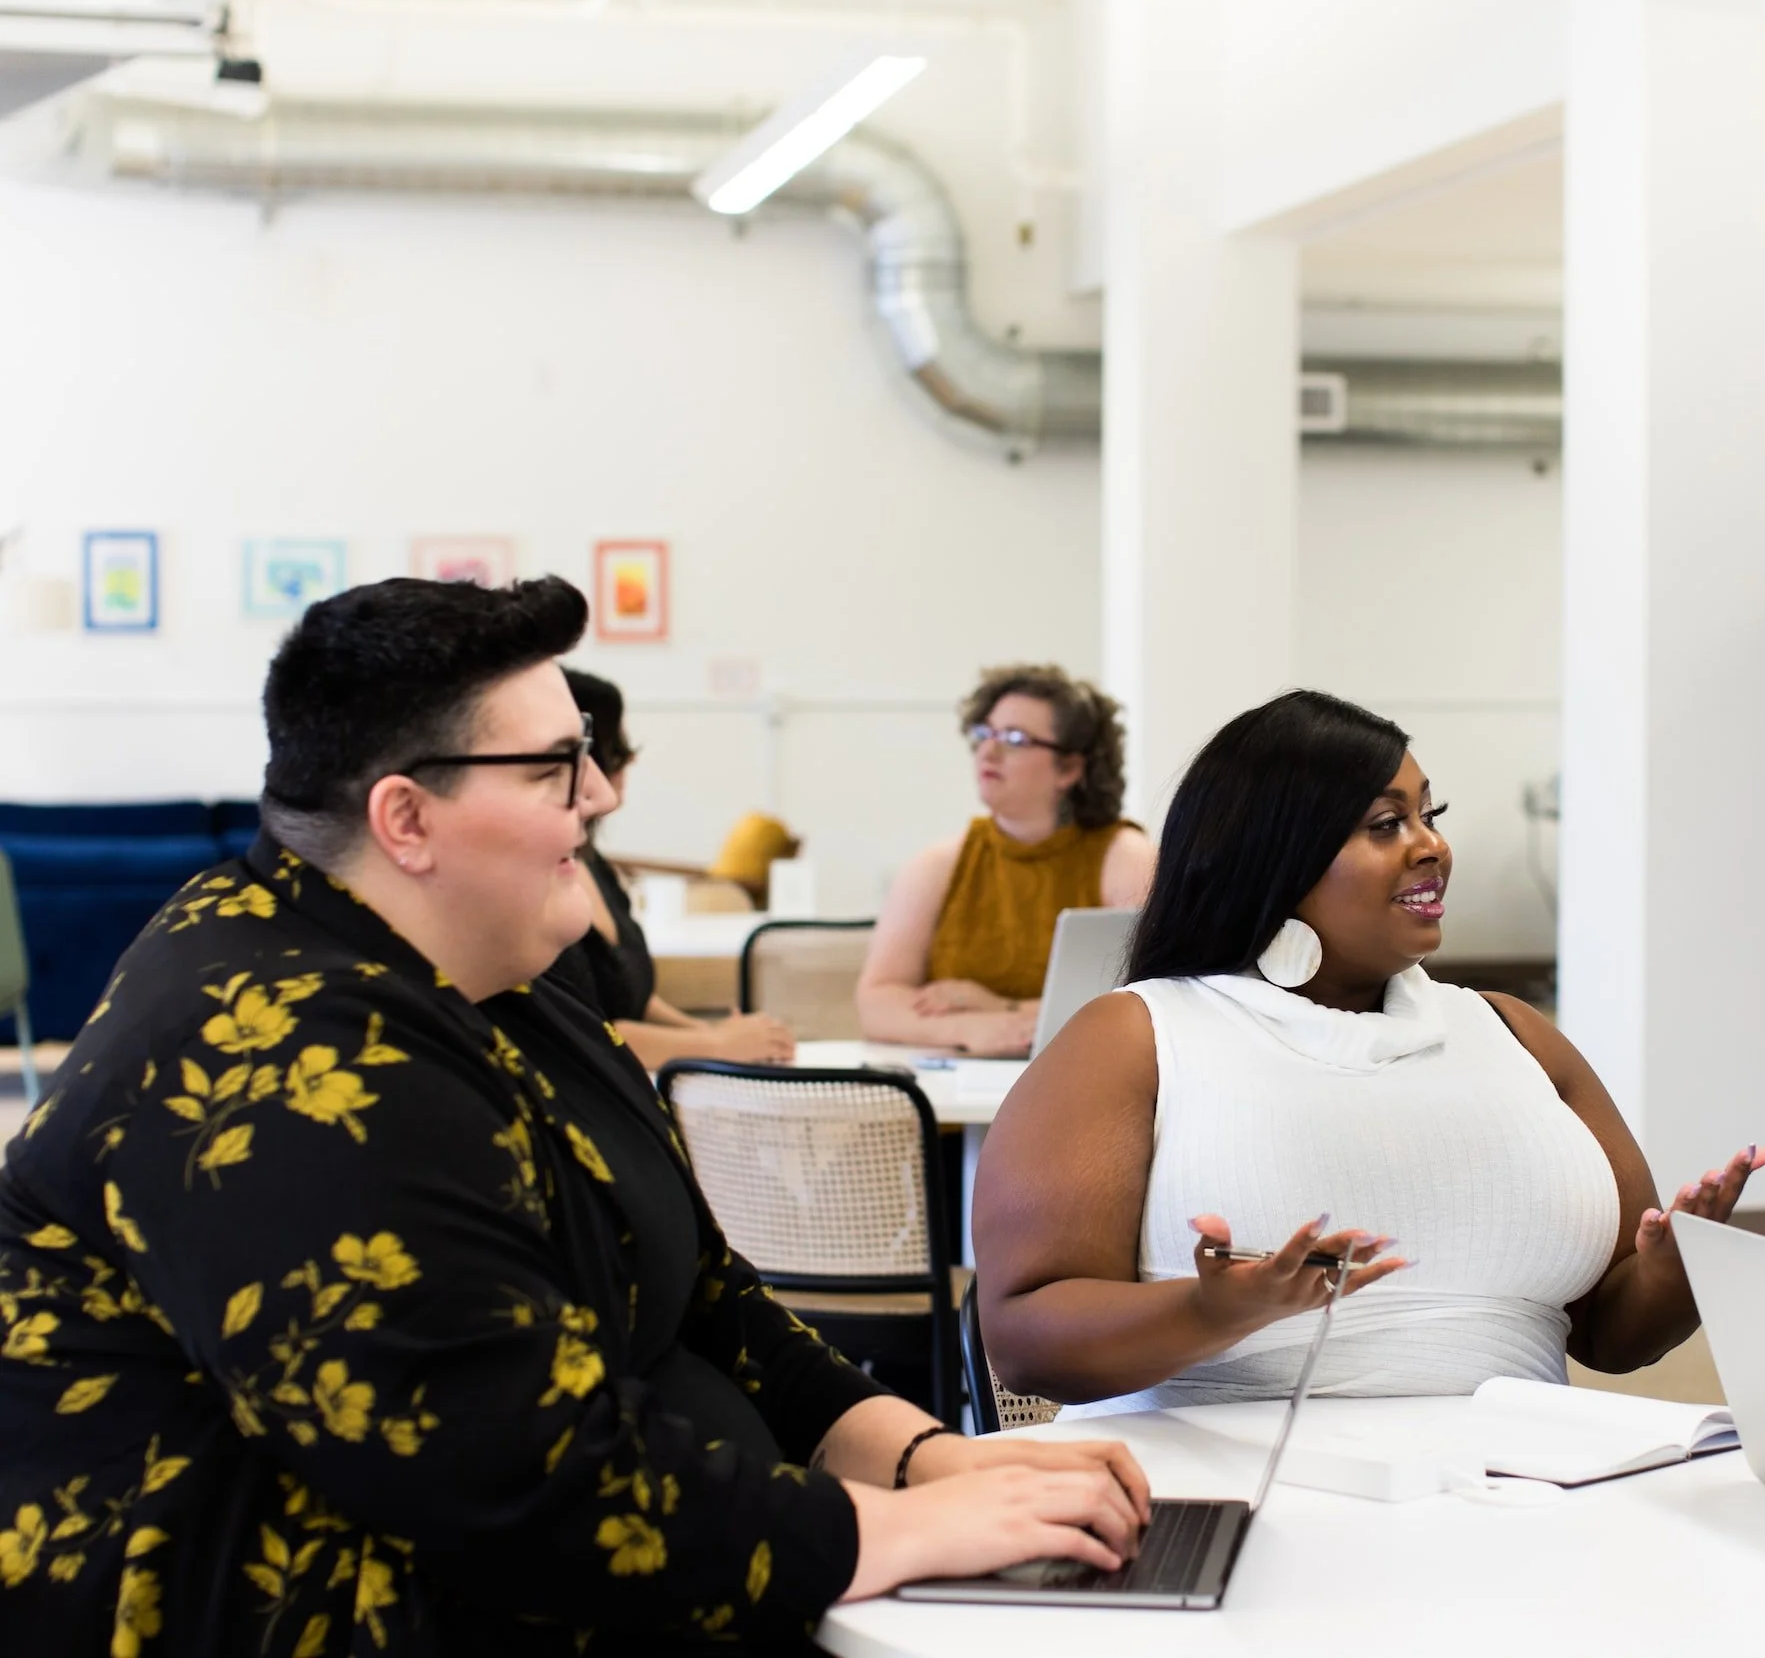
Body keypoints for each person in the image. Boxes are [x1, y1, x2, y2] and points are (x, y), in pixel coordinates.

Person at [0, 578, 1149, 1657]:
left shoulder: (502, 973)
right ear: (407, 817)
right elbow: (508, 1476)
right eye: (557, 765)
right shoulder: (280, 1047)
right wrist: (894, 1532)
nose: (599, 795)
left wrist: (926, 1458)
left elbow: (710, 1299)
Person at [971, 689, 1765, 1412]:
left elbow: (1612, 1333)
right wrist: (1211, 1311)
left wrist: (1675, 1269)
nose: (1431, 846)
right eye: (1385, 824)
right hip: (1221, 1498)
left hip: (1511, 1500)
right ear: (1274, 863)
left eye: (1431, 814)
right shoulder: (1138, 1035)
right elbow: (1025, 1337)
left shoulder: (1510, 1032)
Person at [856, 664, 1154, 1057]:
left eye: (1015, 738)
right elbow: (876, 1002)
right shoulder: (937, 865)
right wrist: (970, 1027)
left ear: (1069, 768)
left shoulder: (1126, 857)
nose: (988, 750)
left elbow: (1151, 995)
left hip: (1083, 1081)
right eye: (985, 732)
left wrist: (1002, 1008)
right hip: (959, 1094)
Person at [548, 668, 795, 1068]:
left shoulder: (596, 867)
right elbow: (588, 1031)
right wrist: (719, 1046)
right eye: (619, 751)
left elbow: (632, 997)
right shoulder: (542, 884)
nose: (625, 769)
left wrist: (713, 1034)